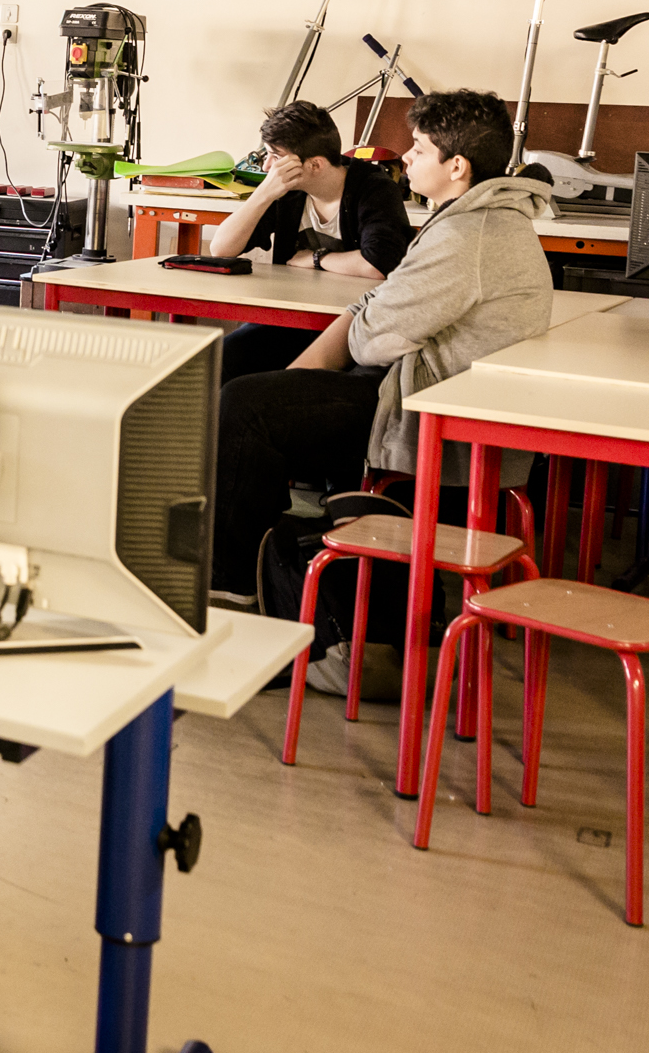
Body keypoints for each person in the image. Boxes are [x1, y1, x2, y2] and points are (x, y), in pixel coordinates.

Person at [214, 91, 552, 688]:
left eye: (420, 150)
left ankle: (236, 603)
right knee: (253, 384)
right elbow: (378, 307)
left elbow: (372, 335)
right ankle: (261, 595)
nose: (408, 161)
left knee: (244, 406)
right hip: (424, 396)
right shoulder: (479, 218)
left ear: (457, 167)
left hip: (428, 421)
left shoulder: (467, 233)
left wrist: (344, 328)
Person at [201, 99, 414, 380]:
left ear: (315, 165)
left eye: (275, 157)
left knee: (251, 391)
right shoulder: (286, 190)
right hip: (290, 319)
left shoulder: (374, 188)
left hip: (351, 330)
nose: (267, 166)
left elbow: (377, 265)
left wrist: (316, 258)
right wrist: (264, 193)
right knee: (215, 363)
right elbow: (221, 249)